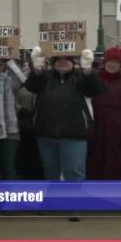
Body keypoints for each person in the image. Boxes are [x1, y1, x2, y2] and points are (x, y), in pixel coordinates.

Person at [25, 48, 102, 182]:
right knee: (51, 172)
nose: (63, 62)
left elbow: (94, 89)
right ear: (53, 62)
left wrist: (88, 70)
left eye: (67, 59)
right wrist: (36, 69)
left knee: (74, 173)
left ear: (73, 62)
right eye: (59, 59)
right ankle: (54, 201)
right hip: (46, 134)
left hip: (74, 134)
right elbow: (32, 86)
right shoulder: (45, 77)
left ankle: (74, 201)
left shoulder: (80, 77)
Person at [87, 46, 121, 180]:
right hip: (96, 124)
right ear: (105, 62)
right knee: (95, 157)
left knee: (115, 160)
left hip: (116, 127)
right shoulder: (96, 77)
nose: (112, 65)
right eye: (110, 62)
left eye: (116, 63)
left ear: (120, 65)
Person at [0, 59, 25, 180]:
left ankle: (10, 194)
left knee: (9, 167)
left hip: (11, 129)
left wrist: (10, 61)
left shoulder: (10, 80)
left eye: (0, 64)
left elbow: (23, 79)